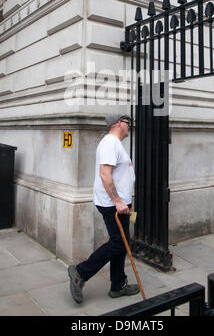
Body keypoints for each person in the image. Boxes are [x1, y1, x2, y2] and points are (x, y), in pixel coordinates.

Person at [68, 114, 139, 304]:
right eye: (127, 123)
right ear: (118, 124)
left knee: (121, 244)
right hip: (112, 204)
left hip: (120, 204)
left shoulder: (115, 144)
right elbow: (104, 174)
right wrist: (117, 200)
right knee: (118, 243)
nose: (129, 126)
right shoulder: (110, 143)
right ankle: (80, 272)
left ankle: (118, 285)